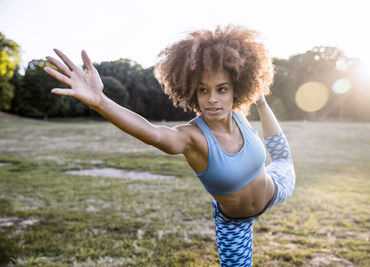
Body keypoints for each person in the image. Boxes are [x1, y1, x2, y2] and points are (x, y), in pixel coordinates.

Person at [44, 24, 295, 266]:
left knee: (283, 159)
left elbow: (280, 152)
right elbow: (152, 133)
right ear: (192, 93)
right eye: (203, 90)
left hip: (275, 188)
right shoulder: (191, 138)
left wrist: (261, 102)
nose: (213, 99)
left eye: (222, 89)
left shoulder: (239, 115)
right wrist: (100, 101)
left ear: (237, 90)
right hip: (235, 224)